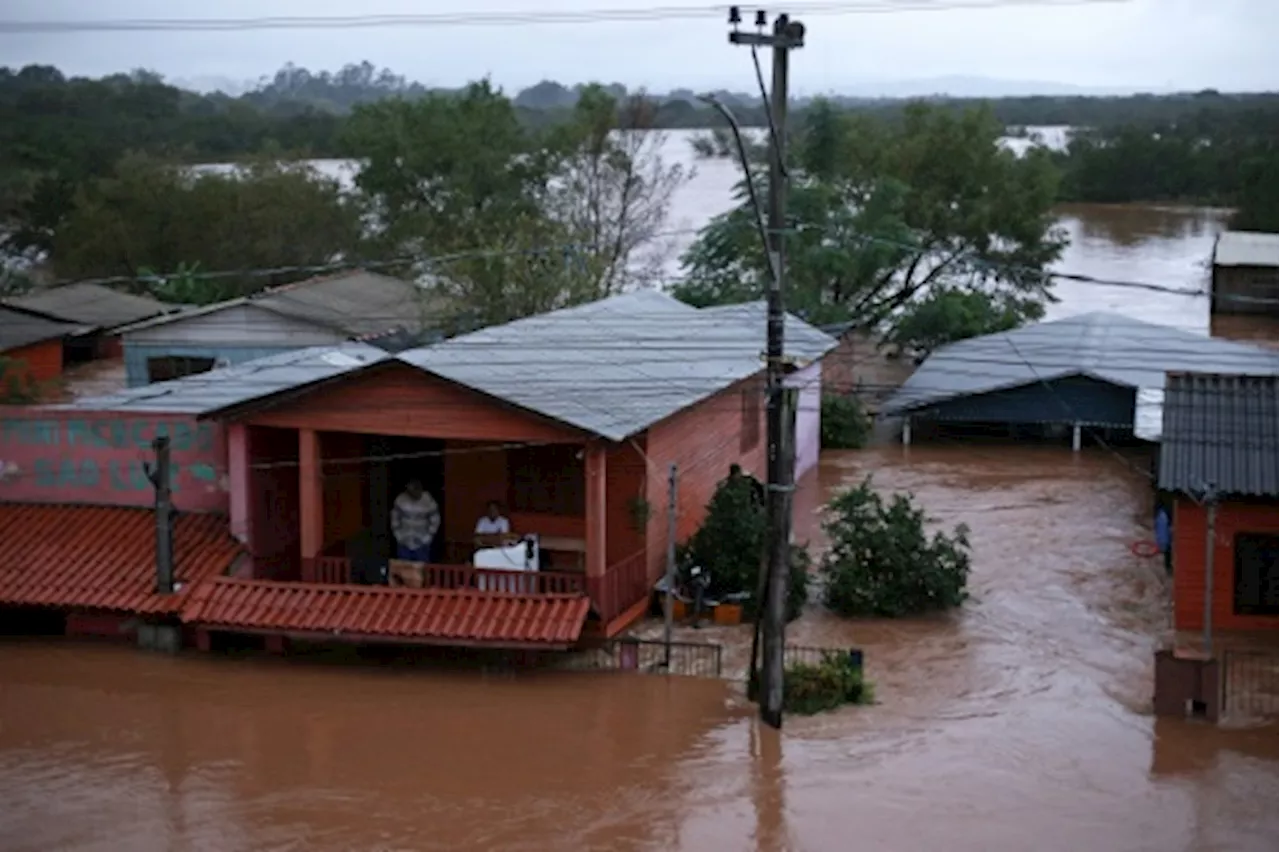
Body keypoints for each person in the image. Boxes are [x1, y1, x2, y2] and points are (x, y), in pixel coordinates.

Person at [391, 479, 440, 562]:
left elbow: (435, 521)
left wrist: (427, 538)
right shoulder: (400, 500)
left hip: (421, 543)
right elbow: (394, 518)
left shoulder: (428, 501)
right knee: (404, 571)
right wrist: (398, 536)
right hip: (404, 542)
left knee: (420, 571)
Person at [1155, 503, 1172, 574]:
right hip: (1166, 540)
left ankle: (1167, 567)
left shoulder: (1159, 517)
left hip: (1163, 539)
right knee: (1168, 554)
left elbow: (1158, 530)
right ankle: (1168, 568)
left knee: (1166, 554)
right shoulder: (1164, 517)